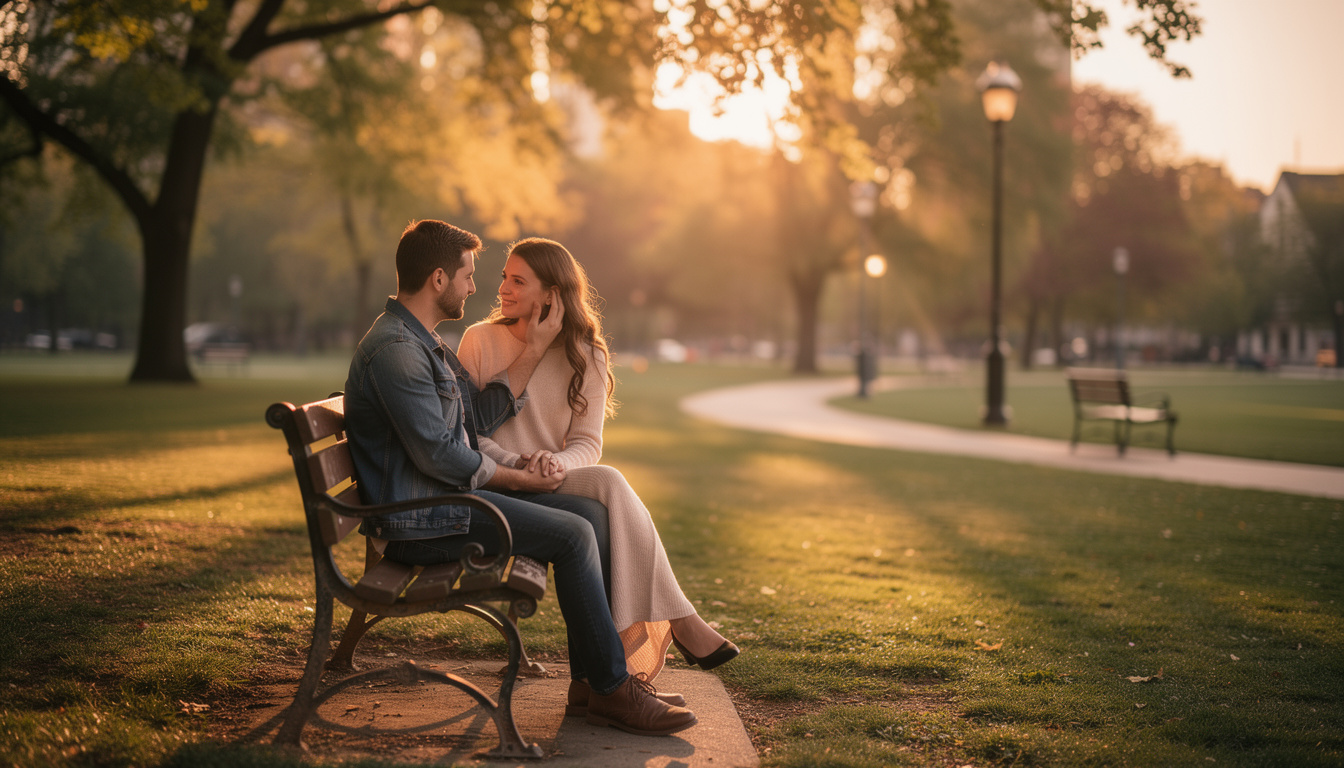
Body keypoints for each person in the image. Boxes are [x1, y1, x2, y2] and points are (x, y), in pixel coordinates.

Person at [343, 219, 696, 736]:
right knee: (574, 534)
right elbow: (442, 455)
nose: (474, 287)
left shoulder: (424, 344)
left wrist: (530, 351)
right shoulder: (398, 350)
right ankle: (614, 689)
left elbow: (474, 420)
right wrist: (518, 479)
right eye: (466, 275)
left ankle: (592, 684)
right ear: (438, 279)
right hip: (422, 522)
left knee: (592, 516)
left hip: (444, 505)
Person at [457, 237, 739, 698]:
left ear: (551, 294)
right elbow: (472, 433)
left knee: (604, 489)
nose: (503, 288)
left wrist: (552, 464)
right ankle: (673, 628)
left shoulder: (587, 351)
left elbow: (588, 443)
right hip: (501, 484)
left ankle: (598, 679)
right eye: (505, 276)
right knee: (605, 499)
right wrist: (519, 463)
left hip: (553, 480)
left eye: (518, 280)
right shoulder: (481, 341)